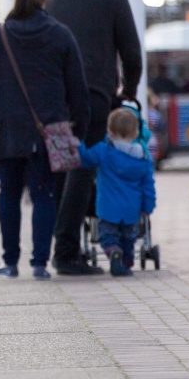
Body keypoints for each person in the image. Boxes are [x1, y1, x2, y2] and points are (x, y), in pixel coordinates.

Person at [0, 0, 91, 280]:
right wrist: (77, 128)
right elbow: (77, 87)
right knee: (44, 195)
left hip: (8, 130)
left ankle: (10, 263)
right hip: (47, 129)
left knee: (8, 195)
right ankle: (40, 264)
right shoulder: (61, 34)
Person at [44, 0, 143, 276]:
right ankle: (67, 251)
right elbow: (131, 53)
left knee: (61, 168)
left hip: (56, 99)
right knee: (83, 168)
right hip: (96, 96)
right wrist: (128, 91)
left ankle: (62, 244)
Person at [77, 105, 157, 277]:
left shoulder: (103, 151)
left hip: (107, 209)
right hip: (132, 211)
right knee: (129, 240)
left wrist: (80, 143)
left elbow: (84, 160)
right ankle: (125, 265)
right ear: (136, 133)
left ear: (110, 132)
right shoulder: (143, 158)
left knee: (108, 237)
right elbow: (148, 186)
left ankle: (113, 251)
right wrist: (147, 207)